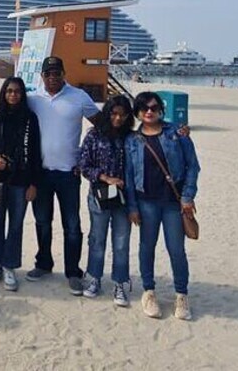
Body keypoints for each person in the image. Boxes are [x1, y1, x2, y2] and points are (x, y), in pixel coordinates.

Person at [0, 56, 101, 296]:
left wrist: (86, 158)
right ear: (42, 77)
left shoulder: (79, 97)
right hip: (41, 174)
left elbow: (102, 128)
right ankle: (44, 264)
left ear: (64, 73)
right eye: (48, 74)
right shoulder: (34, 101)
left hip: (68, 173)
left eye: (57, 73)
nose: (52, 77)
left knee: (72, 225)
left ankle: (73, 272)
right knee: (42, 222)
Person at [124, 91, 200, 321]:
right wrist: (132, 207)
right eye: (144, 108)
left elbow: (193, 167)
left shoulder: (177, 134)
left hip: (172, 203)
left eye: (154, 107)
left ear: (161, 110)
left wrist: (187, 196)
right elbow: (129, 176)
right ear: (137, 112)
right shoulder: (132, 140)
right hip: (146, 202)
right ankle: (148, 292)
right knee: (147, 247)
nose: (149, 111)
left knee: (176, 250)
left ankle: (181, 295)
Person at [0, 77, 40, 292]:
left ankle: (9, 266)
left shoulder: (30, 119)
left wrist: (34, 183)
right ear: (3, 94)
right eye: (9, 91)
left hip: (21, 180)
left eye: (17, 91)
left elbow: (34, 153)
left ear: (22, 94)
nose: (13, 95)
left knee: (15, 225)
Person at [78, 95, 134, 308]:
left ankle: (120, 282)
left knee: (121, 242)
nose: (118, 118)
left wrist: (181, 132)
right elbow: (83, 164)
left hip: (123, 198)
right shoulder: (94, 135)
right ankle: (94, 278)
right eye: (114, 113)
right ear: (107, 113)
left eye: (122, 114)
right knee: (97, 239)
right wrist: (105, 177)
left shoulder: (131, 138)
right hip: (100, 195)